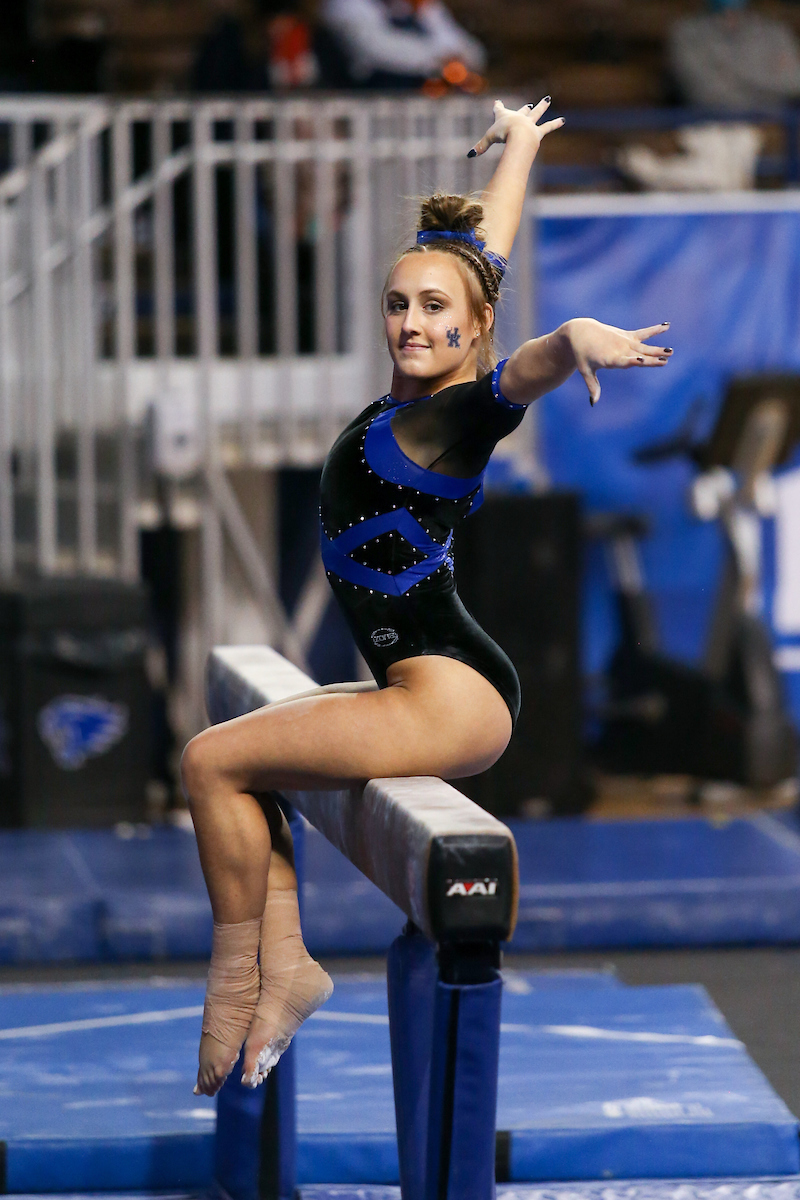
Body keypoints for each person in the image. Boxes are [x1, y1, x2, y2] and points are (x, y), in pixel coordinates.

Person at [182, 97, 674, 1098]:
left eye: (435, 313)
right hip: (442, 677)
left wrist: (572, 335)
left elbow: (517, 375)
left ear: (474, 329)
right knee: (250, 758)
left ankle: (244, 981)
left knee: (207, 762)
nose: (413, 321)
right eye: (399, 304)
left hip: (443, 691)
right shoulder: (414, 395)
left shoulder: (449, 418)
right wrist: (522, 148)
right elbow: (470, 257)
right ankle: (285, 969)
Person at [316, 0, 485, 90]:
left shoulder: (416, 6)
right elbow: (376, 48)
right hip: (366, 109)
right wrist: (441, 60)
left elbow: (473, 54)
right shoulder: (343, 5)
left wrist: (428, 14)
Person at [668, 0, 800, 110]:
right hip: (709, 124)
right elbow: (705, 93)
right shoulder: (686, 33)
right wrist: (767, 77)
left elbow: (794, 83)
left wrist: (731, 72)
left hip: (772, 124)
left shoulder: (775, 33)